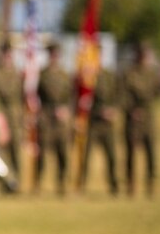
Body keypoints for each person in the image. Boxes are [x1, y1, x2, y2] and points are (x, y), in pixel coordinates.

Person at [121, 42, 160, 197]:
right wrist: (131, 109)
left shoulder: (153, 73)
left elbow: (157, 92)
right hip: (132, 118)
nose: (144, 58)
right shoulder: (129, 73)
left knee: (151, 152)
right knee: (131, 153)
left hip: (148, 117)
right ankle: (131, 184)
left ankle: (150, 184)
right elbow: (123, 94)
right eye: (142, 55)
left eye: (146, 55)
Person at [79, 49, 120, 195]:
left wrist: (113, 110)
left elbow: (117, 96)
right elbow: (81, 100)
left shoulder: (109, 76)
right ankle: (81, 185)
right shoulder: (86, 77)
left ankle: (114, 185)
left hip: (107, 124)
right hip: (93, 122)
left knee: (111, 156)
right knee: (87, 156)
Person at [36, 41, 73, 195]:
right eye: (52, 54)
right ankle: (37, 183)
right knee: (43, 152)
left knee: (63, 153)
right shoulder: (42, 74)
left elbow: (71, 96)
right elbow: (38, 94)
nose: (54, 57)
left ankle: (62, 183)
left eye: (56, 54)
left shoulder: (65, 74)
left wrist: (66, 110)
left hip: (61, 120)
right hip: (46, 117)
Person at [0, 40, 24, 184]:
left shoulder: (17, 72)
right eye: (5, 53)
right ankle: (1, 181)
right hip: (0, 115)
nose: (7, 56)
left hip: (15, 116)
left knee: (15, 150)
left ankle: (16, 180)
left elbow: (20, 96)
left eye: (10, 53)